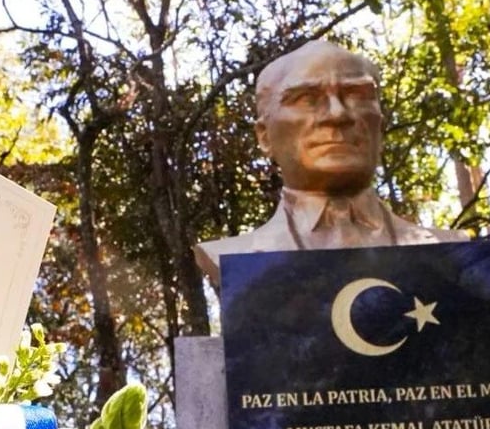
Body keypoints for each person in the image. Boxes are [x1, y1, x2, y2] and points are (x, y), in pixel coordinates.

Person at [194, 39, 466, 285]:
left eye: (356, 95)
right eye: (306, 98)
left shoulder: (447, 250)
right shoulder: (236, 258)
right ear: (265, 136)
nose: (337, 114)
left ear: (379, 127)